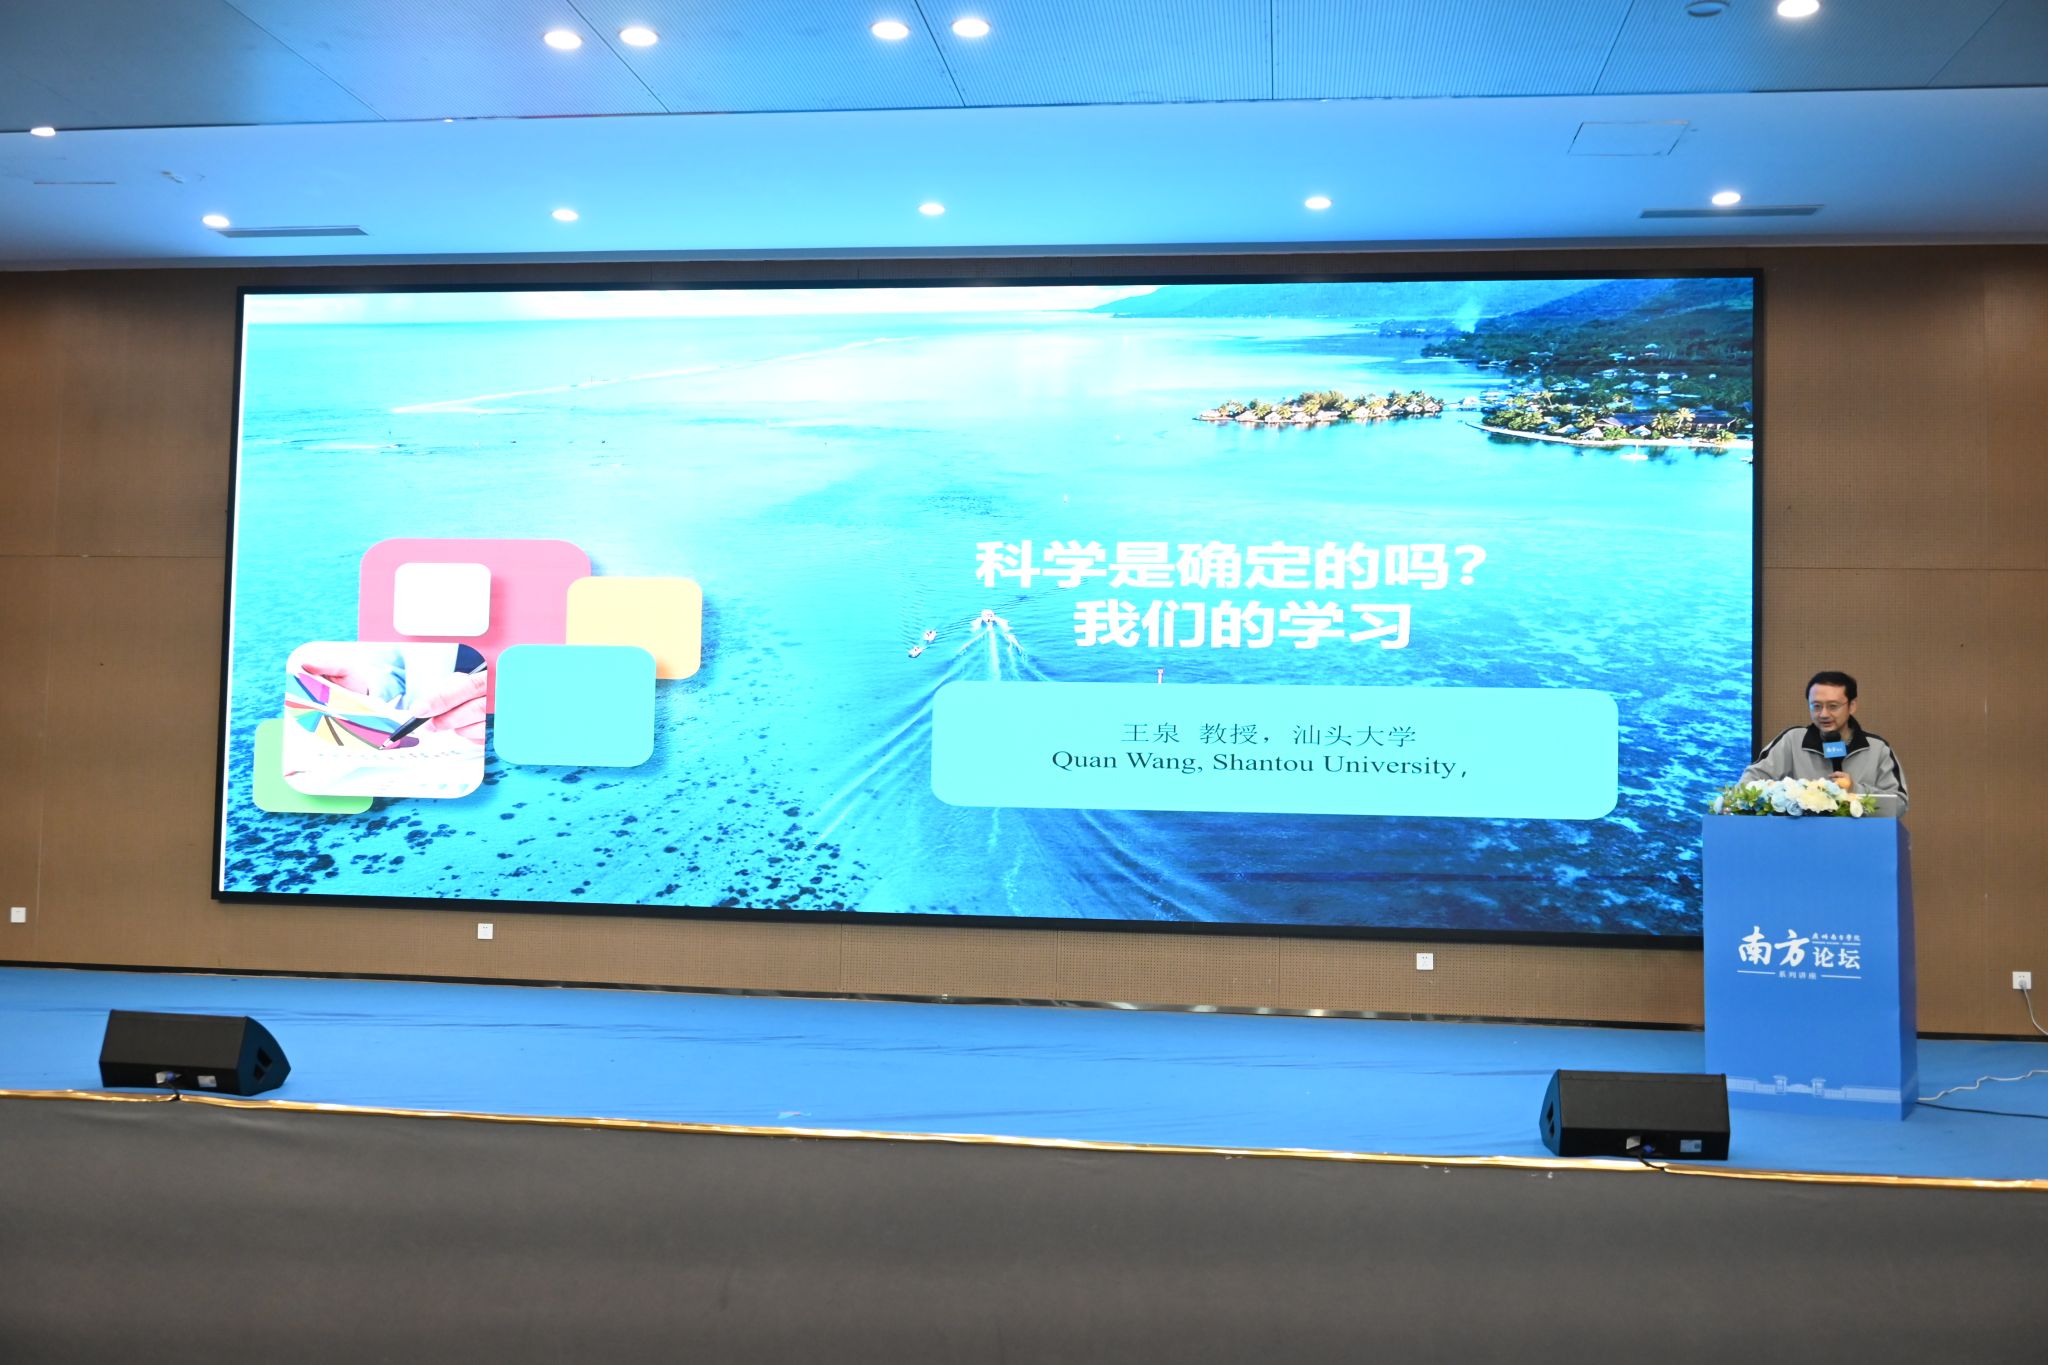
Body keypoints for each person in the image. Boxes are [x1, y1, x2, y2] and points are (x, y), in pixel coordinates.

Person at [1738, 670, 1908, 815]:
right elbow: (1746, 785)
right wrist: (1784, 792)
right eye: (1816, 706)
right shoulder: (1792, 741)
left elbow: (1899, 805)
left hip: (1859, 839)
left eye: (1833, 706)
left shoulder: (1878, 749)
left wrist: (1854, 790)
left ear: (1852, 706)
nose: (1824, 714)